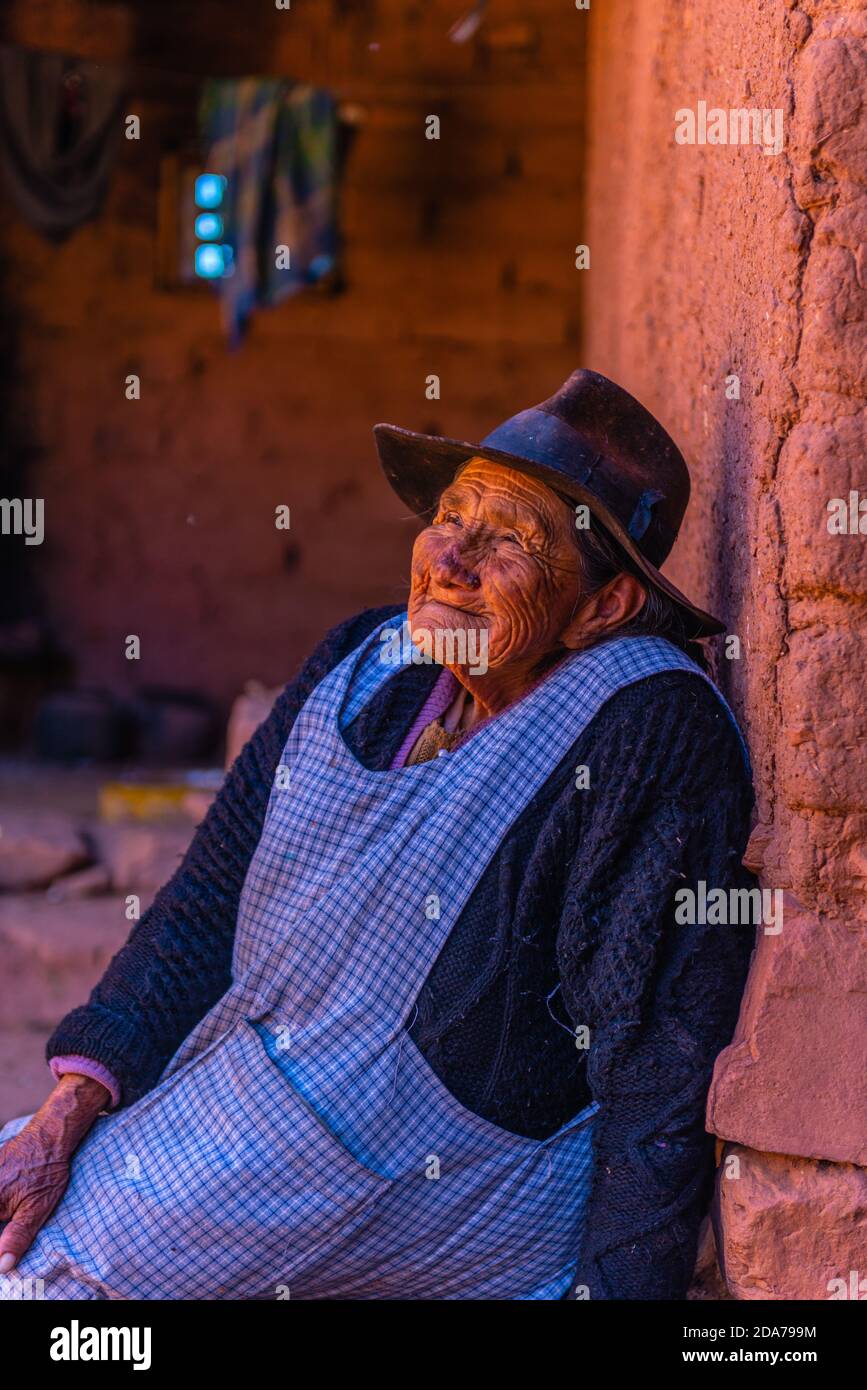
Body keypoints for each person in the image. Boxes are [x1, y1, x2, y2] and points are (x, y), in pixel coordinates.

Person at [0, 369, 756, 1300]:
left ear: (603, 607)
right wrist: (73, 1107)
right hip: (259, 1097)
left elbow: (654, 1055)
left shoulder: (643, 724)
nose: (452, 560)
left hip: (445, 1180)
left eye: (512, 542)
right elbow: (205, 901)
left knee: (45, 1281)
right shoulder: (367, 664)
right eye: (449, 517)